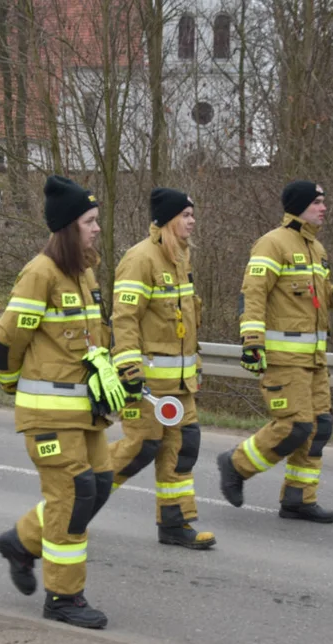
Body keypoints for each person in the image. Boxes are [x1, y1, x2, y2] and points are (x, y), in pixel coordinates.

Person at [0, 175, 127, 629]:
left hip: (86, 416)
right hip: (49, 416)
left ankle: (22, 542)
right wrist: (11, 383)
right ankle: (64, 597)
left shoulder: (85, 273)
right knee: (72, 498)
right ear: (68, 226)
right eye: (89, 221)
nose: (96, 229)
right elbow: (6, 340)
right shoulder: (40, 274)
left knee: (101, 484)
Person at [217, 181, 333, 522]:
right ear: (300, 206)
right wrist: (251, 343)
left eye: (324, 202)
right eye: (317, 202)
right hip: (282, 359)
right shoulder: (272, 243)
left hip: (314, 361)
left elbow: (313, 300)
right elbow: (253, 294)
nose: (324, 207)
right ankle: (236, 464)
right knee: (295, 426)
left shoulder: (317, 249)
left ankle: (298, 499)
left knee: (320, 426)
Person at [106, 188, 216, 549]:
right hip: (149, 386)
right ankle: (77, 494)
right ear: (168, 219)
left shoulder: (180, 259)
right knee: (141, 447)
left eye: (192, 214)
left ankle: (175, 523)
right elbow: (124, 319)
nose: (192, 221)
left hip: (181, 385)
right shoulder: (140, 259)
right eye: (185, 215)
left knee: (184, 447)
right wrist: (128, 370)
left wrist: (194, 368)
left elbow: (184, 324)